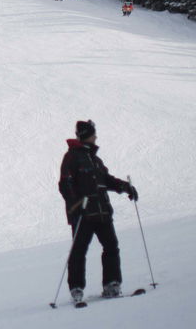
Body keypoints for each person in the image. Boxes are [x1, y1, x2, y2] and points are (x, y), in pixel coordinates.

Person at [58, 120, 138, 303]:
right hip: (83, 214)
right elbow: (65, 184)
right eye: (93, 134)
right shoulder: (71, 157)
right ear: (87, 135)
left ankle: (112, 285)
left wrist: (126, 187)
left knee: (111, 246)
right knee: (78, 251)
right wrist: (76, 205)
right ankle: (76, 289)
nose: (96, 137)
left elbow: (106, 180)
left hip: (102, 212)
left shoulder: (94, 159)